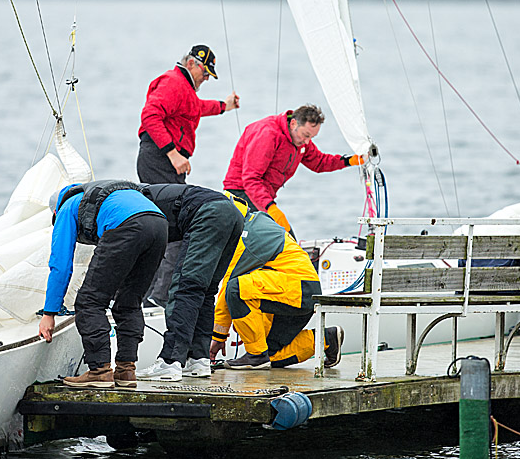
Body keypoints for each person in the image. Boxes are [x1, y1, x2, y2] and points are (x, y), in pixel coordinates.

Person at [38, 180, 168, 389]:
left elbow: (60, 265)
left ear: (55, 211)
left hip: (126, 226)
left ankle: (99, 371)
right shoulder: (101, 196)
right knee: (129, 301)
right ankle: (126, 370)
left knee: (90, 302)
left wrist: (49, 312)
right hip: (160, 225)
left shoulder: (67, 207)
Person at [137, 44, 240, 308]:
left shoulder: (185, 89)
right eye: (206, 73)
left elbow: (195, 108)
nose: (207, 79)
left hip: (164, 162)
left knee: (167, 226)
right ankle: (157, 298)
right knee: (174, 227)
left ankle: (152, 294)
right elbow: (150, 116)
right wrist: (173, 154)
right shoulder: (174, 83)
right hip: (160, 159)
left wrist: (224, 106)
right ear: (193, 63)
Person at [209, 195, 344, 370]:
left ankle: (255, 356)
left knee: (236, 289)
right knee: (271, 356)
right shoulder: (257, 221)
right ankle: (326, 339)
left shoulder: (245, 237)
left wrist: (218, 337)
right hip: (299, 294)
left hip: (298, 290)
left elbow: (229, 288)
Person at [135, 184, 245, 382]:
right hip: (233, 213)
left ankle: (169, 362)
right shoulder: (146, 198)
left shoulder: (136, 207)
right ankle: (198, 359)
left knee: (185, 288)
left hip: (208, 212)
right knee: (206, 290)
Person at [223, 104, 364, 236]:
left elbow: (319, 162)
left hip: (262, 198)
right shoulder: (267, 134)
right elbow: (251, 179)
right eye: (306, 135)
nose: (308, 141)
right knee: (282, 238)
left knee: (285, 240)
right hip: (241, 195)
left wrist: (349, 161)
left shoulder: (299, 140)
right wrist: (270, 208)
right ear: (293, 123)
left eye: (312, 137)